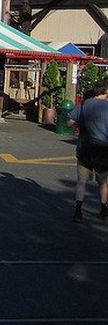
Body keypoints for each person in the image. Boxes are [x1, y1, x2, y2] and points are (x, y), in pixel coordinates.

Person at [67, 83, 108, 223]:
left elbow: (69, 122)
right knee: (103, 181)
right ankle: (103, 208)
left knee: (82, 182)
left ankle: (78, 210)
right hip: (103, 149)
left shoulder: (85, 104)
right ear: (104, 92)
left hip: (85, 148)